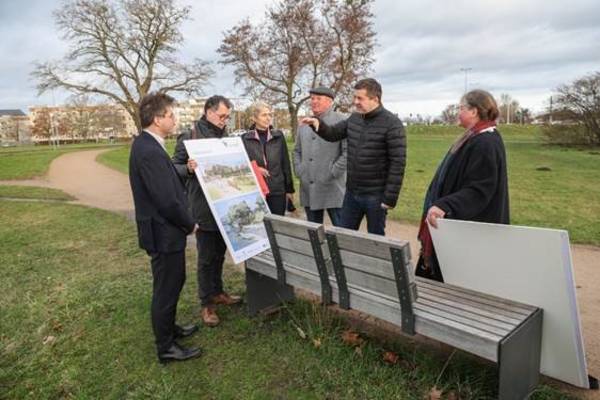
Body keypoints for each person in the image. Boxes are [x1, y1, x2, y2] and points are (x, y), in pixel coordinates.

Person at [129, 92, 201, 364]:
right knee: (167, 288)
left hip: (164, 231)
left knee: (173, 281)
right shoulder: (148, 150)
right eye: (171, 115)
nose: (175, 119)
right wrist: (189, 224)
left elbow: (168, 183)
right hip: (163, 232)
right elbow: (166, 200)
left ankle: (170, 330)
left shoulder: (149, 145)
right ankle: (166, 347)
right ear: (158, 119)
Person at [416, 89, 509, 282]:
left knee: (459, 284)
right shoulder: (474, 136)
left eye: (461, 108)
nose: (458, 112)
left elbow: (481, 189)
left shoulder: (486, 142)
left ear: (474, 111)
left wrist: (446, 205)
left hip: (472, 231)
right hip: (461, 227)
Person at [300, 78, 406, 235]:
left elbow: (398, 163)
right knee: (344, 236)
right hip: (352, 193)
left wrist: (390, 198)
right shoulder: (354, 118)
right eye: (354, 97)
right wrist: (318, 125)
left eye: (360, 98)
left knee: (375, 241)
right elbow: (334, 133)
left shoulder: (392, 124)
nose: (355, 102)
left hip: (375, 196)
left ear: (375, 99)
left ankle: (373, 261)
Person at [172, 95, 241, 328]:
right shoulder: (189, 136)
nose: (224, 121)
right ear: (208, 112)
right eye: (222, 116)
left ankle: (218, 292)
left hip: (225, 204)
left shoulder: (225, 137)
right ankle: (206, 304)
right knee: (206, 258)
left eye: (227, 117)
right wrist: (188, 169)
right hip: (203, 207)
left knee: (220, 254)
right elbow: (173, 168)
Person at [294, 86, 346, 225]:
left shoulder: (342, 121)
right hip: (309, 186)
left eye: (318, 98)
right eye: (312, 98)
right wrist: (300, 170)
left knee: (342, 231)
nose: (314, 101)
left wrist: (334, 171)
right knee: (314, 233)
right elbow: (297, 151)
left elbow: (347, 152)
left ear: (330, 101)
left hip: (332, 186)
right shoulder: (304, 123)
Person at [241, 102, 294, 215]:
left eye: (270, 114)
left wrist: (289, 190)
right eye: (264, 115)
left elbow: (285, 163)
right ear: (254, 118)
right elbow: (242, 164)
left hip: (277, 189)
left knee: (277, 224)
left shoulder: (278, 136)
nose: (268, 118)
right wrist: (256, 169)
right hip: (256, 190)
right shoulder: (245, 139)